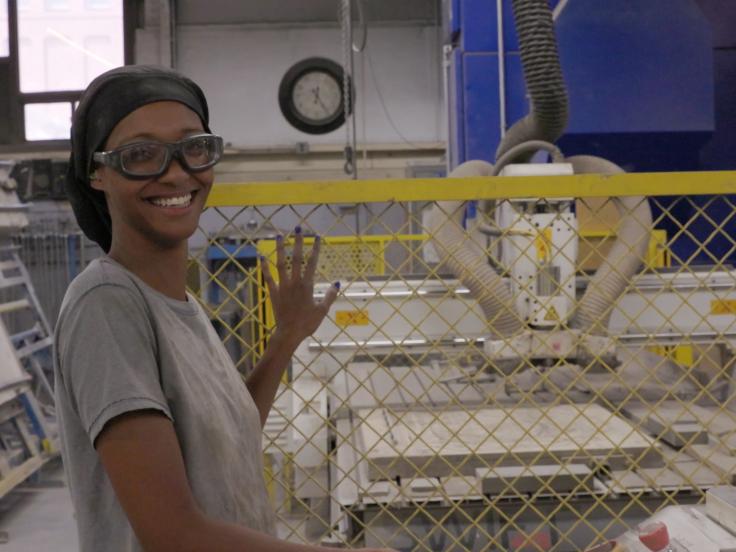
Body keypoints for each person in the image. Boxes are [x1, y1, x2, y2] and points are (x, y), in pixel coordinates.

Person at [55, 65, 395, 552]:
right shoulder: (106, 305)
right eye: (140, 154)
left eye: (193, 147)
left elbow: (229, 441)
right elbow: (173, 534)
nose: (174, 172)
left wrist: (285, 340)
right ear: (97, 172)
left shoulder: (182, 306)